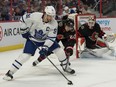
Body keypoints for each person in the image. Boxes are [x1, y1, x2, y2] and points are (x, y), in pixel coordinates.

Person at [3, 6, 75, 81]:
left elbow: (51, 38)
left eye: (52, 16)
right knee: (25, 56)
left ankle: (65, 67)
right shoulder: (35, 16)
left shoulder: (54, 23)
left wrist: (45, 47)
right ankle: (10, 72)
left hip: (45, 40)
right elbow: (23, 19)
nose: (50, 18)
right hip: (32, 39)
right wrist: (23, 30)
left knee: (59, 50)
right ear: (44, 13)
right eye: (49, 16)